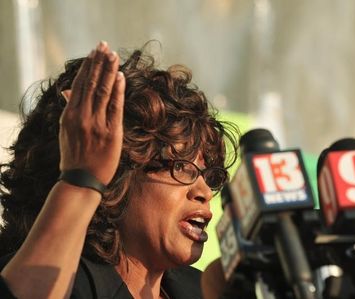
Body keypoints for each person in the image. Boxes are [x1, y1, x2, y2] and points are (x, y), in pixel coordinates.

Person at [0, 41, 238, 298]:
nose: (204, 192)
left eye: (208, 175)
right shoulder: (55, 282)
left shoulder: (201, 290)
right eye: (181, 166)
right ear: (114, 174)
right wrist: (81, 181)